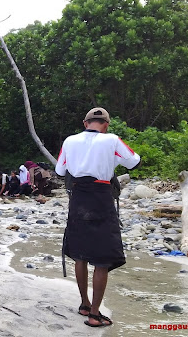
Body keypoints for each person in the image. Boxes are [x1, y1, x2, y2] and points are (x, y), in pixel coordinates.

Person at [55, 107, 140, 328]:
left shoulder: (69, 141)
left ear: (85, 123)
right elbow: (133, 161)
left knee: (80, 254)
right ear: (106, 124)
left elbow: (60, 171)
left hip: (78, 198)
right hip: (101, 197)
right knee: (102, 258)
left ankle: (84, 303)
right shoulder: (111, 140)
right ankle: (94, 314)